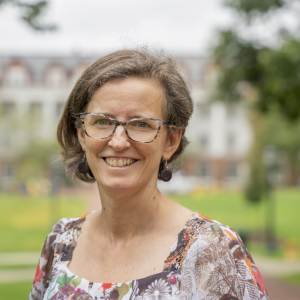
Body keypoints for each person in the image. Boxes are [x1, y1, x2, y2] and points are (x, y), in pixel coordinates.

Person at [29, 49, 268, 300]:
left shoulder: (212, 250)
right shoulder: (61, 241)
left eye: (141, 124)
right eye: (102, 121)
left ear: (171, 140)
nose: (118, 141)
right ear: (81, 133)